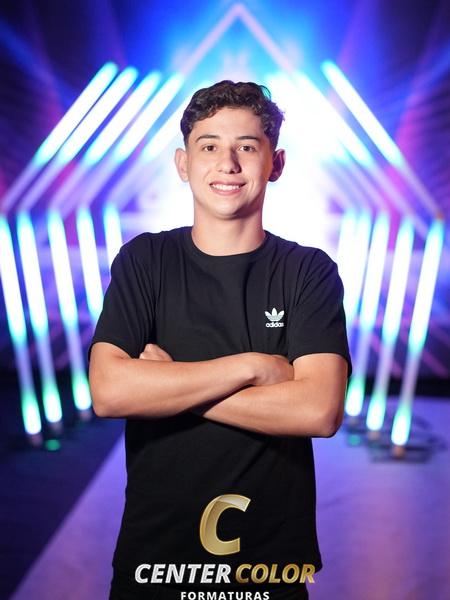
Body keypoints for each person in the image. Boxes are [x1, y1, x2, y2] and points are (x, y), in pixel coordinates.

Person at [89, 80, 351, 600]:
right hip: (155, 558)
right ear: (183, 163)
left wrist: (167, 385)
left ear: (276, 164)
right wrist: (252, 366)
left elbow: (319, 410)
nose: (227, 164)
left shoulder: (308, 271)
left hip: (269, 562)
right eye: (208, 146)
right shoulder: (145, 261)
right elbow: (109, 392)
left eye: (246, 147)